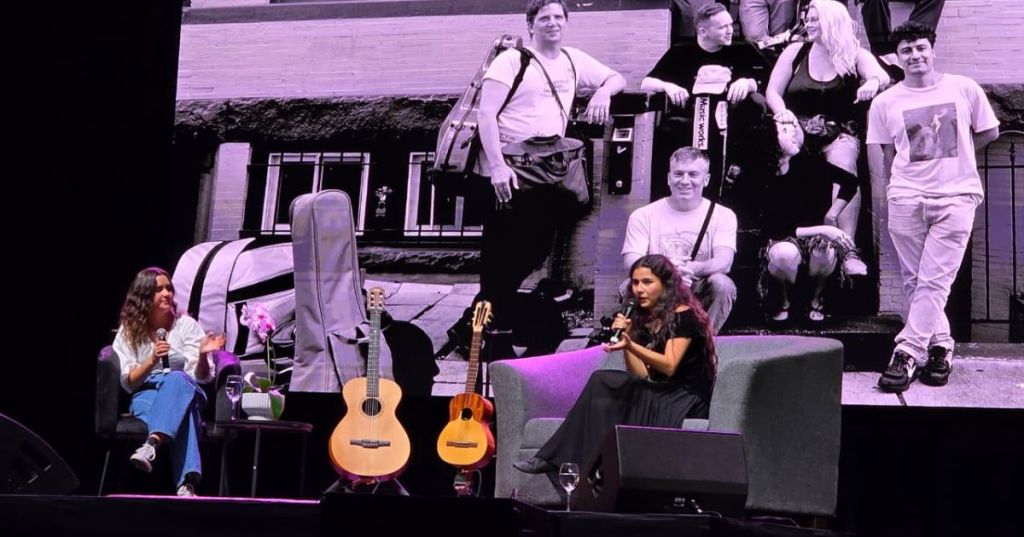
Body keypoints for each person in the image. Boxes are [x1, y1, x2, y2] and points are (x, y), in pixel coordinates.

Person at [449, 0, 626, 359]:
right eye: (544, 18)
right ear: (531, 24)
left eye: (559, 17)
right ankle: (486, 335)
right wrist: (497, 166)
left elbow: (616, 77)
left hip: (547, 174)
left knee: (532, 252)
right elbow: (486, 115)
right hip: (509, 172)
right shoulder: (511, 61)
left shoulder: (573, 59)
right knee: (500, 257)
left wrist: (604, 92)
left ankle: (474, 326)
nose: (553, 23)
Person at [867, 22, 999, 392]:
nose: (915, 55)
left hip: (956, 198)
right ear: (897, 58)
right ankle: (940, 347)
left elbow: (989, 131)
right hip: (907, 198)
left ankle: (907, 352)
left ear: (932, 50)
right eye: (906, 50)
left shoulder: (963, 88)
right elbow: (888, 153)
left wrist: (959, 154)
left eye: (921, 47)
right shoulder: (885, 102)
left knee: (934, 280)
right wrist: (893, 193)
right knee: (916, 281)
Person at [514, 254, 716, 474]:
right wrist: (628, 338)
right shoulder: (645, 319)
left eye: (647, 282)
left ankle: (559, 461)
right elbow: (641, 375)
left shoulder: (684, 315)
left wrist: (631, 345)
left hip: (686, 397)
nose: (639, 289)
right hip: (660, 391)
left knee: (604, 383)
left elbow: (669, 365)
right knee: (602, 384)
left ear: (666, 285)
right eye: (635, 283)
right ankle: (591, 468)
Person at [766, 0, 891, 278]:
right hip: (797, 128)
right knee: (784, 152)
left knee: (844, 159)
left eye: (814, 20)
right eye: (807, 19)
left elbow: (880, 76)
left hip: (838, 131)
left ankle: (847, 248)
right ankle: (782, 236)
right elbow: (772, 91)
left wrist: (871, 83)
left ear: (831, 22)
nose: (807, 24)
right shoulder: (795, 51)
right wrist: (782, 112)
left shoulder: (854, 54)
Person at [112, 267, 225, 496]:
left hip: (187, 388)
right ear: (143, 296)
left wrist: (203, 356)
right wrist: (152, 359)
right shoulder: (129, 331)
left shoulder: (186, 326)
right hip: (147, 392)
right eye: (158, 290)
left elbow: (201, 377)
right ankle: (186, 485)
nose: (167, 294)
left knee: (177, 378)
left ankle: (151, 444)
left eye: (169, 288)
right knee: (184, 414)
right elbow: (129, 382)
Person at [643, 2, 770, 196]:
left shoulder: (743, 49)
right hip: (689, 129)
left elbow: (769, 79)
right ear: (703, 32)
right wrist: (668, 86)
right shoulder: (681, 52)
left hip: (732, 130)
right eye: (723, 27)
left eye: (731, 24)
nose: (730, 30)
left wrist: (748, 83)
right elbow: (646, 83)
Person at [622, 147, 737, 334]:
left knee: (721, 284)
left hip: (697, 287)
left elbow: (724, 262)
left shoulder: (723, 215)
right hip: (658, 287)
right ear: (669, 178)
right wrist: (666, 271)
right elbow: (630, 262)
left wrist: (690, 268)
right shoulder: (643, 215)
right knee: (630, 285)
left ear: (706, 179)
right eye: (678, 174)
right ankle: (648, 339)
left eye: (693, 174)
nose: (684, 181)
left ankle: (702, 342)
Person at [758, 119, 858, 322]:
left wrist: (832, 215)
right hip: (782, 239)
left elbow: (850, 182)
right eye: (785, 130)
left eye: (794, 129)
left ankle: (816, 299)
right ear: (771, 139)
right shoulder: (761, 174)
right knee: (784, 254)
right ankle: (785, 301)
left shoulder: (810, 164)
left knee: (825, 250)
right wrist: (824, 230)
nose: (794, 134)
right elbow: (775, 228)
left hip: (813, 238)